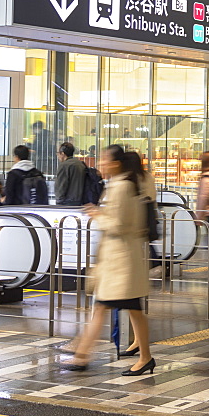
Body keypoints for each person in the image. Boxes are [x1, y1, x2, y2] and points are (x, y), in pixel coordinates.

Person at [63, 146, 154, 375]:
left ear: (115, 163)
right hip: (120, 261)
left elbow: (119, 225)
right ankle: (143, 357)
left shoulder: (122, 186)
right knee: (130, 309)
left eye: (104, 160)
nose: (100, 164)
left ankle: (83, 355)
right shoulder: (123, 184)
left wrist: (98, 215)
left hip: (120, 262)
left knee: (105, 306)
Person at [54, 142, 88, 206]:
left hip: (67, 202)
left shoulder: (64, 165)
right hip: (80, 201)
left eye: (58, 153)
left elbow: (61, 186)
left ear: (63, 154)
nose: (57, 156)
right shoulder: (80, 164)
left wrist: (59, 201)